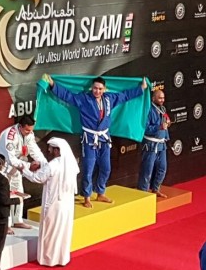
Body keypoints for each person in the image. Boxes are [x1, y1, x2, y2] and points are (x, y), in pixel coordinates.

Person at [44, 74, 147, 208]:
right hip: (90, 139)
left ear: (104, 89)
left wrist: (141, 88)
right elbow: (68, 96)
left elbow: (125, 96)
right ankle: (87, 196)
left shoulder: (109, 99)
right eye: (95, 88)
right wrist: (53, 85)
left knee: (106, 168)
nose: (97, 91)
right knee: (88, 169)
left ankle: (100, 192)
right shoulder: (84, 99)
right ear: (91, 88)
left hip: (104, 139)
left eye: (100, 89)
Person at [21, 137, 80, 266]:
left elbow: (38, 178)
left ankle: (49, 259)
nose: (48, 150)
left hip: (53, 203)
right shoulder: (70, 164)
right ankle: (61, 258)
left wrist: (23, 170)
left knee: (50, 232)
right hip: (67, 204)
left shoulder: (53, 165)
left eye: (51, 148)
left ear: (57, 150)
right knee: (62, 231)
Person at [0, 115, 47, 229]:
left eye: (31, 130)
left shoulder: (29, 134)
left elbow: (35, 150)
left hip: (17, 168)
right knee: (6, 196)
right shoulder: (10, 136)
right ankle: (6, 224)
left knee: (19, 193)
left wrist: (45, 164)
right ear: (20, 126)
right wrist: (29, 166)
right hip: (4, 168)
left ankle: (17, 220)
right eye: (27, 130)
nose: (30, 132)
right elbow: (11, 159)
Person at [137, 88, 170, 198]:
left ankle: (156, 189)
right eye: (159, 98)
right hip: (150, 145)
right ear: (153, 98)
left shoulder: (163, 109)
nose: (162, 100)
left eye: (163, 98)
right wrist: (159, 127)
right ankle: (143, 192)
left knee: (162, 168)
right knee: (147, 170)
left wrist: (166, 135)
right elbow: (145, 129)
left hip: (161, 145)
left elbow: (165, 125)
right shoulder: (148, 110)